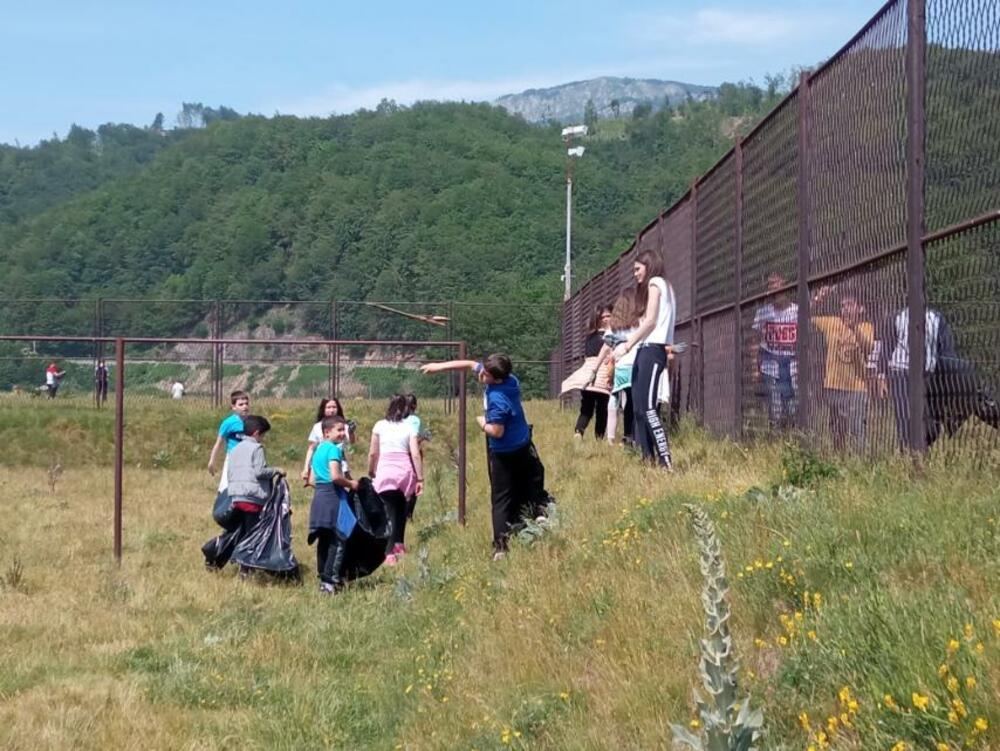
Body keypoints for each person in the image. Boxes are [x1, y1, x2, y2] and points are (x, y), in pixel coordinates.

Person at [421, 354, 548, 559]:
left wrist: (481, 422)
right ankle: (537, 512)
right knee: (534, 475)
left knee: (501, 498)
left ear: (496, 379)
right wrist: (438, 366)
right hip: (524, 442)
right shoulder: (510, 380)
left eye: (485, 374)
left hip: (504, 451)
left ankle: (501, 546)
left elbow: (497, 431)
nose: (480, 373)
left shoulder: (498, 398)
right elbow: (470, 363)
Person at [877, 307, 1000, 449]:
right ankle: (911, 455)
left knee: (931, 428)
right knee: (907, 421)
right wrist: (881, 376)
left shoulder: (936, 318)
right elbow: (886, 348)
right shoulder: (896, 318)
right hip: (900, 373)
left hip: (929, 373)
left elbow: (947, 351)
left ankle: (918, 451)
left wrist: (953, 379)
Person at [613, 251, 677, 469]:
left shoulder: (657, 283)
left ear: (649, 267)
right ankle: (647, 458)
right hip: (645, 349)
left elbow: (650, 322)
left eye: (638, 269)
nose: (636, 274)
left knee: (648, 408)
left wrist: (627, 345)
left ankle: (665, 460)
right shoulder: (664, 286)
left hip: (652, 350)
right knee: (639, 407)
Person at [203, 415, 284, 574]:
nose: (263, 439)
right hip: (252, 499)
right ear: (256, 433)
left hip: (236, 497)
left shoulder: (235, 449)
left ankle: (218, 554)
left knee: (240, 531)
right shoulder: (257, 448)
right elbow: (259, 472)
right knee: (252, 534)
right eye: (263, 435)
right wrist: (277, 470)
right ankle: (245, 569)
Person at [811, 285, 875, 452]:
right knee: (837, 432)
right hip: (834, 385)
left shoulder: (866, 327)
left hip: (857, 388)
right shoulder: (832, 323)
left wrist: (854, 328)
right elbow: (804, 316)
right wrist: (819, 298)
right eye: (842, 305)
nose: (845, 309)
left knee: (857, 431)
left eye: (850, 304)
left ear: (860, 308)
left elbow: (869, 349)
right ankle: (839, 463)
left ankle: (860, 465)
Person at [368, 394, 424, 566]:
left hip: (386, 470)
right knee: (400, 508)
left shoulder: (379, 425)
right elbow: (415, 453)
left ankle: (388, 552)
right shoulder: (409, 427)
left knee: (389, 511)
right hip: (404, 471)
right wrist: (420, 477)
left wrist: (371, 470)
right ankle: (399, 543)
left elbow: (373, 452)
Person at [308, 415, 359, 594]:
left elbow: (312, 480)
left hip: (319, 498)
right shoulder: (333, 450)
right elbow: (336, 476)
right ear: (326, 432)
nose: (342, 434)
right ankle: (330, 582)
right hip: (333, 499)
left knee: (324, 540)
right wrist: (352, 484)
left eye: (343, 430)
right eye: (339, 430)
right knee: (338, 540)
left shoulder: (318, 450)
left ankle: (323, 578)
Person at [751, 273, 799, 428]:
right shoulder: (763, 313)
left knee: (792, 408)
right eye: (770, 285)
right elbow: (755, 341)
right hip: (770, 366)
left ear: (785, 286)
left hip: (792, 366)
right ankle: (776, 439)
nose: (773, 288)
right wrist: (755, 368)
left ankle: (791, 438)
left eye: (776, 284)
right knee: (775, 409)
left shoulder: (796, 311)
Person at [592, 292, 640, 446]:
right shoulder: (638, 322)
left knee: (621, 400)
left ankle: (619, 436)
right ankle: (631, 436)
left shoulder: (614, 327)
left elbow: (606, 347)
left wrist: (595, 369)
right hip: (637, 364)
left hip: (621, 367)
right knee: (633, 402)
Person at [575, 306, 613, 439]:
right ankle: (598, 437)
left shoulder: (589, 337)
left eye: (609, 316)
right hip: (601, 374)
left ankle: (579, 431)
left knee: (587, 407)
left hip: (589, 373)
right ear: (599, 319)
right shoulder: (607, 336)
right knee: (601, 407)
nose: (607, 319)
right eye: (604, 317)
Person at [301, 397, 355, 485]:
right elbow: (311, 448)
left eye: (334, 407)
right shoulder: (317, 427)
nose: (332, 410)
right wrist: (306, 468)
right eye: (328, 407)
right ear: (323, 409)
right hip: (322, 461)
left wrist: (351, 432)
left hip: (338, 460)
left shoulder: (343, 425)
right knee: (315, 483)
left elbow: (351, 441)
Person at [207, 390, 251, 495]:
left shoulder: (251, 422)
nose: (244, 407)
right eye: (241, 404)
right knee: (225, 486)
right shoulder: (228, 423)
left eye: (246, 404)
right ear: (233, 407)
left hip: (248, 458)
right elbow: (219, 443)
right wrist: (212, 461)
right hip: (233, 457)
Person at [403, 393, 428, 519]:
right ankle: (408, 514)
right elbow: (422, 436)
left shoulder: (396, 419)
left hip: (399, 453)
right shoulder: (415, 420)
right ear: (415, 405)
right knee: (413, 485)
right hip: (412, 454)